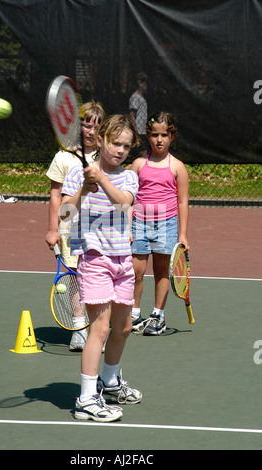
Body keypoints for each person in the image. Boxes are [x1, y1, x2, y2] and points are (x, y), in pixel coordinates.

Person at [61, 114, 142, 422]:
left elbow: (123, 203)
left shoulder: (128, 176)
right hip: (94, 259)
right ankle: (86, 398)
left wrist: (102, 179)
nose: (119, 150)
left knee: (123, 327)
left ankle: (109, 381)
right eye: (114, 143)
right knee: (101, 327)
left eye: (126, 145)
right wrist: (84, 186)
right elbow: (66, 216)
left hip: (123, 260)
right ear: (101, 138)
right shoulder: (76, 173)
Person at [45, 101, 105, 351]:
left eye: (95, 126)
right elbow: (55, 194)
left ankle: (97, 330)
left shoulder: (106, 156)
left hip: (101, 229)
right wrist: (52, 229)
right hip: (71, 227)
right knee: (75, 278)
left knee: (96, 278)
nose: (89, 131)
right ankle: (79, 329)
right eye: (85, 125)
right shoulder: (63, 157)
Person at [130, 111, 190, 335]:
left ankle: (158, 316)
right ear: (147, 135)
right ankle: (134, 315)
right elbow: (126, 197)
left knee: (162, 271)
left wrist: (183, 235)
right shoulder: (137, 164)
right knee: (136, 271)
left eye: (164, 134)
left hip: (167, 224)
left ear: (172, 136)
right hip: (139, 223)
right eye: (154, 134)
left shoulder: (178, 167)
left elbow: (183, 202)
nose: (159, 139)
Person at [129, 72, 149, 157]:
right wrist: (135, 130)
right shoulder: (135, 97)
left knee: (146, 151)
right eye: (144, 82)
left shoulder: (142, 97)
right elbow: (132, 115)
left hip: (144, 130)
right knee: (142, 151)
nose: (146, 85)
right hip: (138, 130)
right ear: (139, 83)